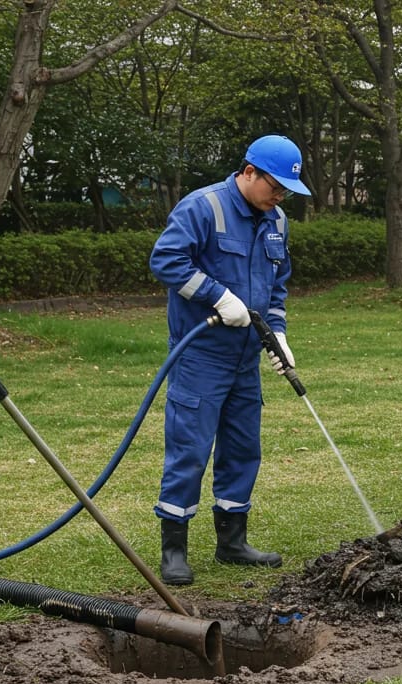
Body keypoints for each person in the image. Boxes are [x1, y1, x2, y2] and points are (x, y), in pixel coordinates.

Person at [149, 135, 311, 585]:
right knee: (191, 449)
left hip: (245, 360)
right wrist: (217, 295)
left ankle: (232, 542)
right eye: (274, 186)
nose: (279, 197)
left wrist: (276, 333)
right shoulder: (204, 207)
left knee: (242, 448)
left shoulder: (276, 220)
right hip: (200, 355)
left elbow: (277, 286)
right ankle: (174, 549)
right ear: (248, 172)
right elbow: (165, 261)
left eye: (286, 191)